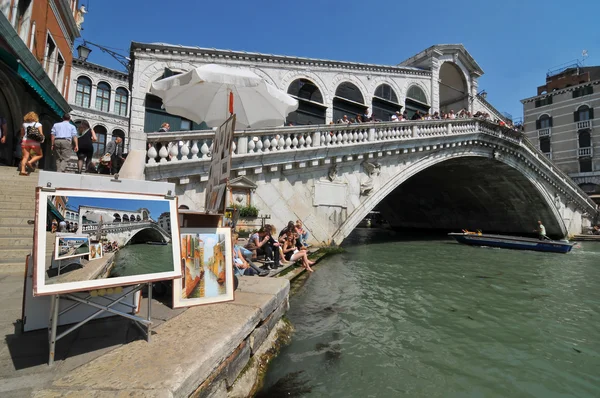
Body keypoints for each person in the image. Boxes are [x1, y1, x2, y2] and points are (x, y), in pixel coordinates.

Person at [20, 112, 44, 176]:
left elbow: (22, 134)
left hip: (25, 141)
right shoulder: (38, 124)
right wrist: (42, 140)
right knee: (40, 155)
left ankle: (22, 170)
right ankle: (29, 162)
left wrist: (23, 138)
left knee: (25, 157)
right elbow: (41, 134)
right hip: (34, 142)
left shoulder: (24, 124)